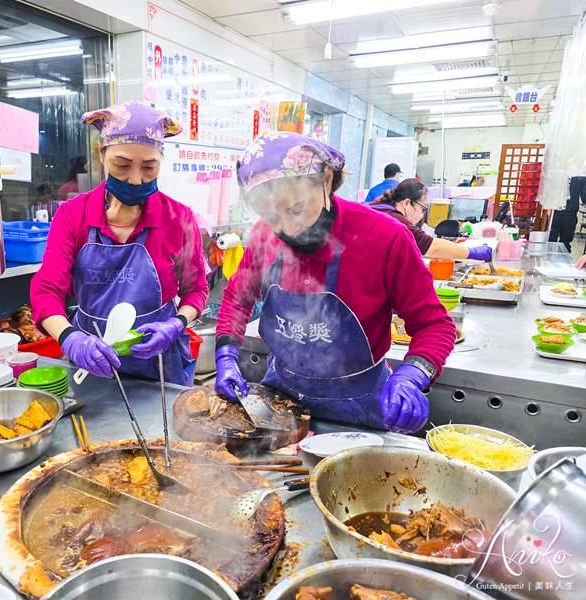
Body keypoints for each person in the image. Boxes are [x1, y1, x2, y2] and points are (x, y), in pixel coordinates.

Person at [214, 131, 456, 434]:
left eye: (297, 209)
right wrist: (225, 354)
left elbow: (434, 325)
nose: (287, 228)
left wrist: (413, 375)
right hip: (280, 398)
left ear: (327, 179)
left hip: (360, 404)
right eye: (271, 215)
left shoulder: (384, 237)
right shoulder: (264, 235)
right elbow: (238, 298)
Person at [30, 100, 208, 385]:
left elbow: (196, 290)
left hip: (159, 365)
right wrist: (69, 338)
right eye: (122, 165)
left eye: (149, 167)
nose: (136, 179)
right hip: (92, 361)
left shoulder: (178, 219)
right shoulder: (73, 215)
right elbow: (47, 290)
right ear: (102, 154)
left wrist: (177, 324)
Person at [370, 179, 492, 261]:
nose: (421, 212)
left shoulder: (378, 207)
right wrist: (472, 252)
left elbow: (420, 247)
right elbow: (431, 247)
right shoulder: (394, 218)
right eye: (421, 207)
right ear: (407, 203)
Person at [549, 175, 586, 253]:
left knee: (550, 242)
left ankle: (547, 262)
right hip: (570, 211)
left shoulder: (557, 170)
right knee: (565, 243)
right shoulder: (580, 174)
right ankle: (564, 262)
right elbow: (585, 197)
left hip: (554, 210)